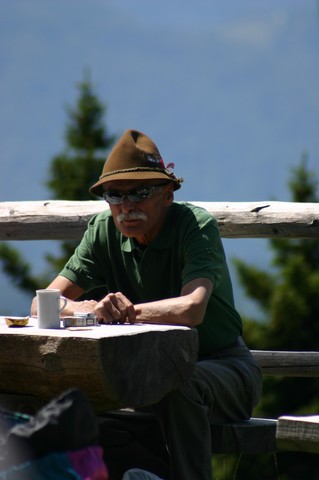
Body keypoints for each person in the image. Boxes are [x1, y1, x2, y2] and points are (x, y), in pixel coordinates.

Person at [31, 129, 262, 480]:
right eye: (114, 195)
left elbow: (192, 309)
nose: (126, 206)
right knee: (72, 401)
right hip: (141, 375)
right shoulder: (102, 230)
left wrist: (122, 314)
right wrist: (89, 310)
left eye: (140, 193)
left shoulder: (195, 226)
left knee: (177, 385)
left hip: (222, 367)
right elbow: (42, 305)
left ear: (168, 195)